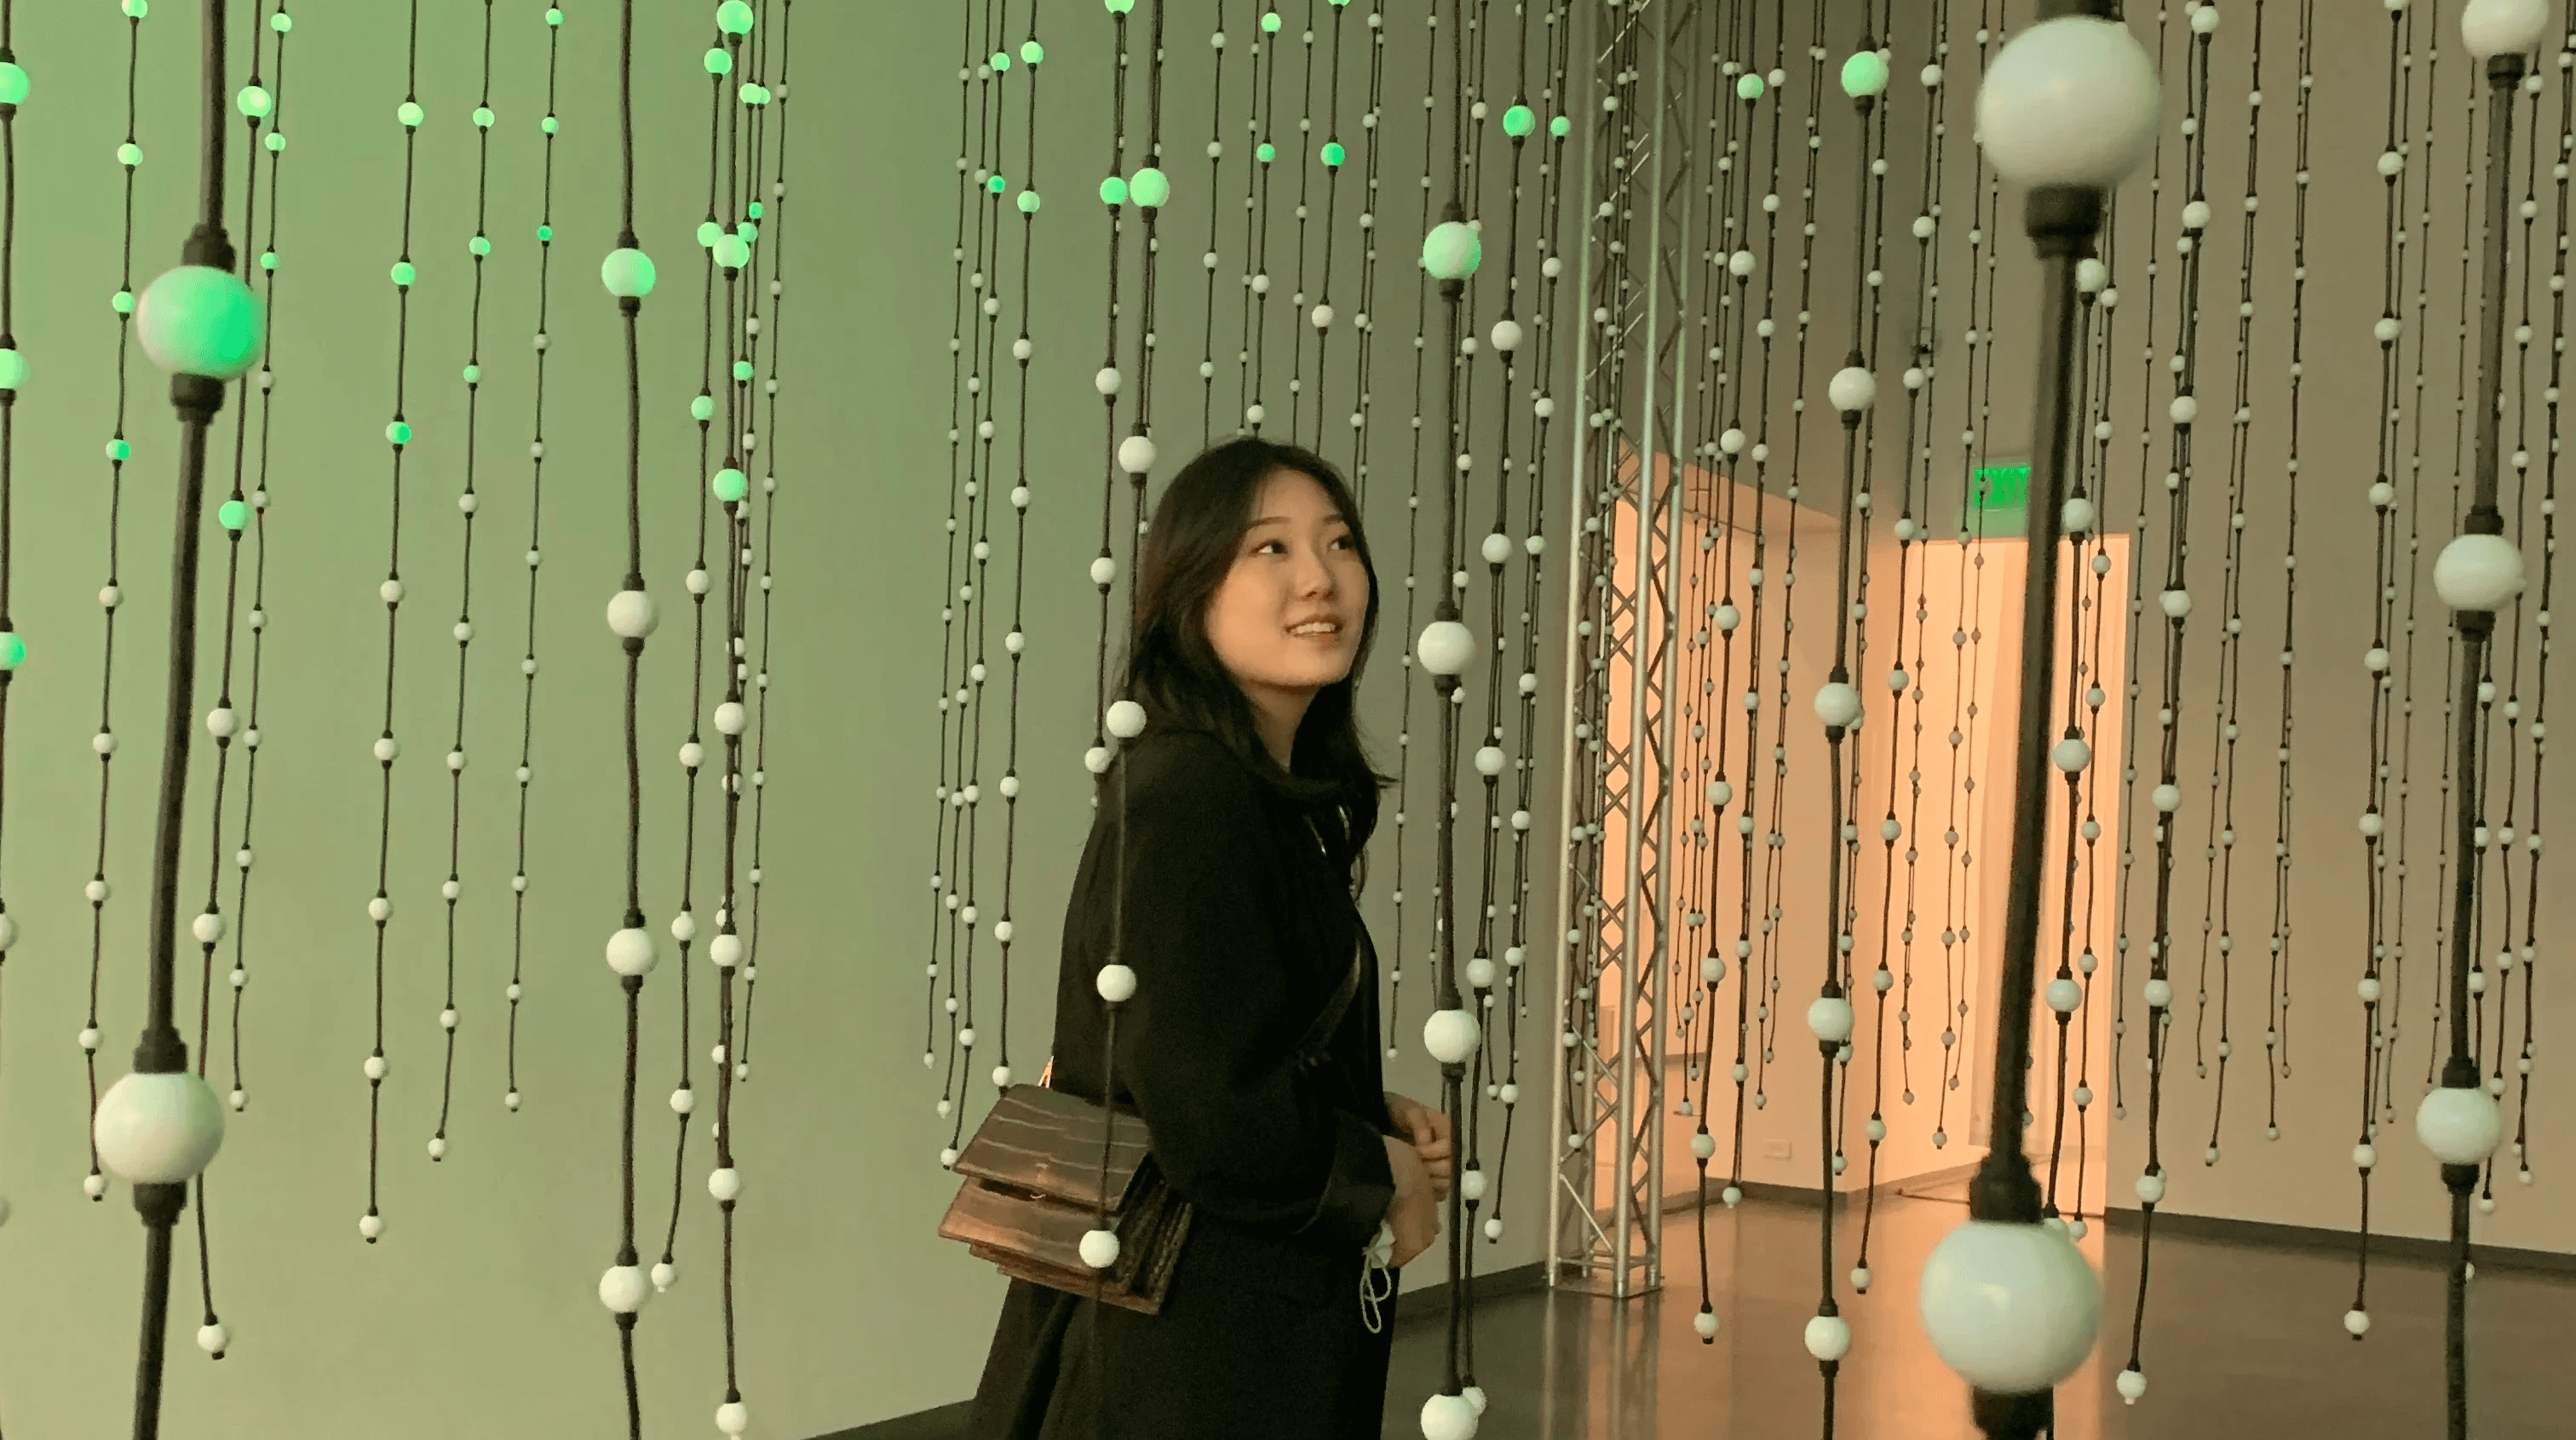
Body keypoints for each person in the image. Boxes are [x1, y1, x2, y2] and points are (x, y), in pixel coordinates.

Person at [968, 436, 1453, 1439]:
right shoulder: (1196, 792)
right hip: (1191, 1352)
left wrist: (1360, 1108)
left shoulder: (1252, 795)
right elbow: (1211, 1113)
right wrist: (1381, 1174)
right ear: (1190, 594)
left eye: (1339, 542)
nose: (1319, 577)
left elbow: (1208, 1040)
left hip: (1205, 1333)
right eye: (1269, 548)